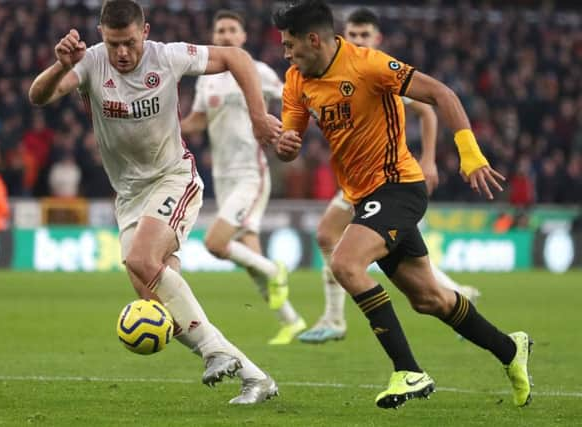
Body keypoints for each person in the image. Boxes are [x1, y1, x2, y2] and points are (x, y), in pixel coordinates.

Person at [272, 0, 532, 409]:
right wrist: (285, 144)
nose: (286, 54)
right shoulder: (296, 79)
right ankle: (510, 349)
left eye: (290, 45)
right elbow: (290, 140)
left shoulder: (369, 65)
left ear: (314, 39)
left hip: (398, 187)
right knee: (429, 299)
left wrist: (469, 152)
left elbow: (441, 94)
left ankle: (409, 371)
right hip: (364, 197)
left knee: (345, 263)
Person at [29, 0, 281, 405]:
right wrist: (60, 65)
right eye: (114, 44)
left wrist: (257, 116)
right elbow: (38, 97)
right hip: (129, 196)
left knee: (142, 261)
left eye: (129, 42)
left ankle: (215, 352)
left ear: (144, 32)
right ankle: (255, 377)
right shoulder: (91, 63)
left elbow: (236, 57)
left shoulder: (168, 57)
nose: (122, 53)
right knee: (159, 301)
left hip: (173, 178)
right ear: (100, 35)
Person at [299, 7, 481, 344]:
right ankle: (453, 294)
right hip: (358, 178)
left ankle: (337, 318)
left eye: (365, 35)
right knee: (330, 236)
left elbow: (428, 110)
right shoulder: (333, 69)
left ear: (377, 38)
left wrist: (429, 160)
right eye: (353, 33)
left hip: (390, 176)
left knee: (361, 246)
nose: (357, 39)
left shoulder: (379, 69)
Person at [181, 10, 305, 345]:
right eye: (219, 30)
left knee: (215, 243)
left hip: (251, 174)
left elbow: (291, 98)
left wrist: (288, 132)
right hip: (223, 178)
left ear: (242, 37)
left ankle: (274, 270)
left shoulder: (257, 71)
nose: (224, 36)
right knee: (250, 254)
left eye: (230, 30)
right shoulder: (206, 78)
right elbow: (197, 121)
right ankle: (292, 321)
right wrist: (165, 129)